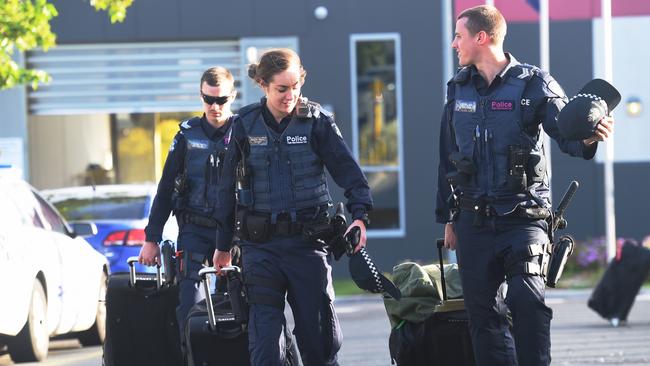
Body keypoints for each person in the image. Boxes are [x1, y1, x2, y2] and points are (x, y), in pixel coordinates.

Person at [435, 5, 614, 366]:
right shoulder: (458, 88)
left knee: (526, 301)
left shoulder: (535, 83)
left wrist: (592, 137)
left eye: (459, 36)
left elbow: (570, 137)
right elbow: (446, 156)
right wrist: (448, 218)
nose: (455, 43)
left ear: (481, 38)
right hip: (474, 219)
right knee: (483, 315)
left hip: (524, 218)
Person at [212, 48, 373, 366]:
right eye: (281, 89)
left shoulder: (316, 122)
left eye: (295, 87)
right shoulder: (244, 124)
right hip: (261, 249)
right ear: (262, 84)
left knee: (319, 346)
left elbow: (349, 174)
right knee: (266, 350)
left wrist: (360, 217)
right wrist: (223, 245)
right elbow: (226, 188)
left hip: (307, 245)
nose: (290, 96)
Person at [138, 66, 237, 337]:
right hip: (195, 228)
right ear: (201, 96)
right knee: (189, 303)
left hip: (235, 233)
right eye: (209, 99)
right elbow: (166, 187)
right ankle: (190, 354)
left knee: (238, 304)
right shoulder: (186, 135)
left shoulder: (245, 132)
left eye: (222, 100)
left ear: (233, 96)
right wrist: (151, 238)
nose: (215, 106)